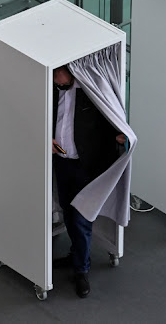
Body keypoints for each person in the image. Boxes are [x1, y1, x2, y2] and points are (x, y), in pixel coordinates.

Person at [52, 65, 126, 298]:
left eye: (57, 72)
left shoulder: (90, 93)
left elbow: (109, 122)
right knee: (67, 209)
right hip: (62, 164)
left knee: (81, 217)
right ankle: (76, 255)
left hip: (85, 167)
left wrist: (120, 136)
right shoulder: (51, 90)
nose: (54, 77)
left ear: (70, 70)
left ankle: (81, 270)